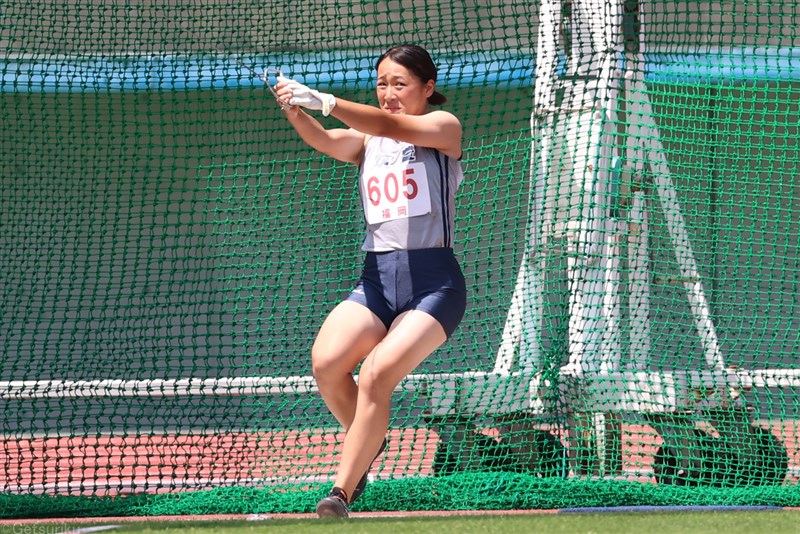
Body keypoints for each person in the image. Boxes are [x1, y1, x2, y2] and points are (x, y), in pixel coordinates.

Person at [272, 44, 467, 518]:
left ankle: (341, 489)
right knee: (327, 363)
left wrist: (327, 100)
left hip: (434, 285)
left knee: (377, 373)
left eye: (400, 83)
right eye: (382, 83)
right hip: (377, 280)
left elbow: (391, 124)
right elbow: (325, 140)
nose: (389, 93)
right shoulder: (366, 140)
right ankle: (368, 439)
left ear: (427, 88)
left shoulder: (444, 128)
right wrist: (293, 106)